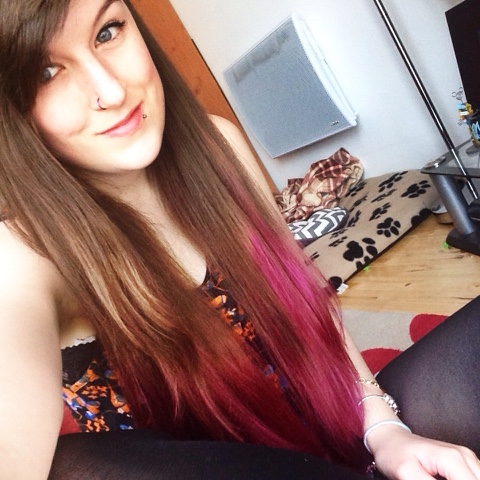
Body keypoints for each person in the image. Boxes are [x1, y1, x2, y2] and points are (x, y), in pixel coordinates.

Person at [0, 0, 479, 479]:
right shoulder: (24, 253)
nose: (111, 90)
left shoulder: (219, 145)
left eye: (107, 31)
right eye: (46, 72)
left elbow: (309, 301)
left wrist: (383, 427)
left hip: (341, 430)